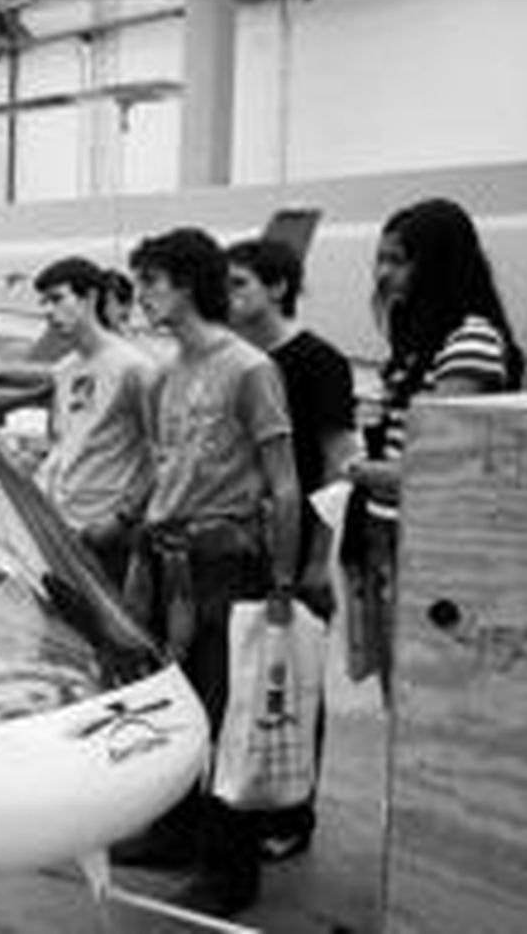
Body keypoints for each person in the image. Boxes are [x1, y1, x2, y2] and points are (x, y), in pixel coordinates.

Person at [120, 227, 301, 918]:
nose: (140, 295)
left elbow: (284, 484)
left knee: (231, 714)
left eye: (151, 281)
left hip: (227, 564)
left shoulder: (250, 369)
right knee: (176, 706)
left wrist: (283, 581)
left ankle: (231, 870)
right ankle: (175, 833)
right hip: (169, 563)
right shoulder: (163, 375)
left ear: (188, 283)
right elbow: (165, 468)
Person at [346, 197, 524, 695]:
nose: (383, 274)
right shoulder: (419, 342)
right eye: (380, 259)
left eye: (398, 261)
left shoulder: (470, 341)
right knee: (397, 694)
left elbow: (438, 470)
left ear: (441, 264)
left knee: (427, 696)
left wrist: (357, 471)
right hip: (389, 538)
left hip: (435, 549)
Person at [225, 236, 358, 861]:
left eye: (239, 284)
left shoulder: (319, 362)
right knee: (245, 678)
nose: (227, 297)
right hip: (242, 544)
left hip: (299, 543)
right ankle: (244, 802)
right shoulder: (235, 360)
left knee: (293, 679)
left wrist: (317, 559)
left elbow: (337, 464)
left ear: (277, 287)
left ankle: (291, 813)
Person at [29, 257, 156, 589]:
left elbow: (168, 453)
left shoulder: (133, 368)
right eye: (44, 303)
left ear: (89, 298)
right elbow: (66, 445)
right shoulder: (64, 370)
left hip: (106, 535)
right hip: (61, 529)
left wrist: (123, 520)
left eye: (57, 299)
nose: (48, 311)